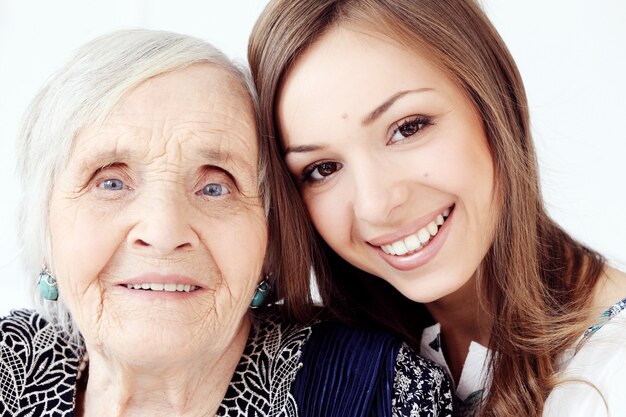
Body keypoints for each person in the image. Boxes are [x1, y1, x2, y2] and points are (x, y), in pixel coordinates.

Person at [0, 29, 454, 417]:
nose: (163, 232)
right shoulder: (8, 360)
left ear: (270, 239)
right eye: (111, 183)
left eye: (215, 187)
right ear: (45, 222)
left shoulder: (377, 392)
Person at [248, 0, 626, 416]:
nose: (376, 205)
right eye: (322, 169)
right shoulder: (337, 370)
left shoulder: (612, 375)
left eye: (407, 128)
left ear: (492, 102)